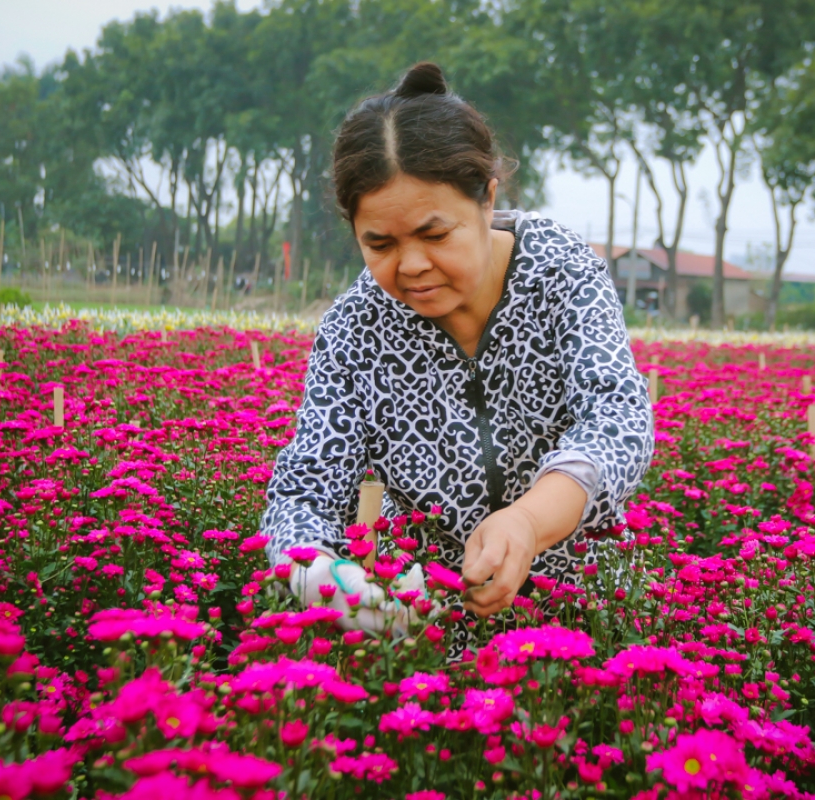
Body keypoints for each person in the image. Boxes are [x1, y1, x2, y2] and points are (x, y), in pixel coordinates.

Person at [257, 61, 654, 657]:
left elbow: (617, 417)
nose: (411, 265)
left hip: (581, 626)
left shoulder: (559, 270)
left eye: (435, 234)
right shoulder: (355, 329)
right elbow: (305, 492)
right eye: (380, 244)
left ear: (487, 197)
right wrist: (325, 581)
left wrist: (527, 522)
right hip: (427, 635)